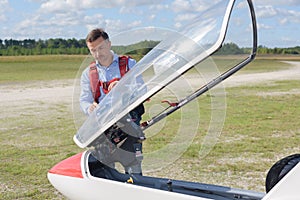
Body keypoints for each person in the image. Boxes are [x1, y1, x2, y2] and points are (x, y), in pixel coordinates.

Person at [79, 28, 144, 175]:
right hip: (102, 127)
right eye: (92, 50)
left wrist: (124, 88)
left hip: (128, 123)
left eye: (101, 48)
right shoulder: (88, 74)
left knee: (133, 167)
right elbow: (84, 100)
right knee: (105, 171)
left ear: (109, 44)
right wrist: (90, 108)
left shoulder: (129, 64)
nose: (97, 54)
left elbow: (142, 89)